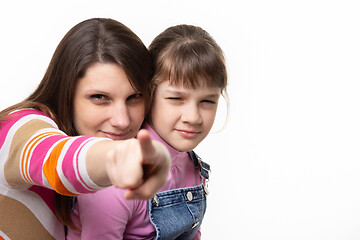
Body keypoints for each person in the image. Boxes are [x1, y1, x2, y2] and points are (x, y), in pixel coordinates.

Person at [0, 18, 171, 240]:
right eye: (99, 97)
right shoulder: (19, 128)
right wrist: (122, 158)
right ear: (66, 93)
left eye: (134, 97)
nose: (122, 121)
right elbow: (59, 159)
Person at [67, 24, 228, 240]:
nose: (193, 117)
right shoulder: (116, 178)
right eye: (176, 98)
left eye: (208, 101)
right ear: (148, 95)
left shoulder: (192, 166)